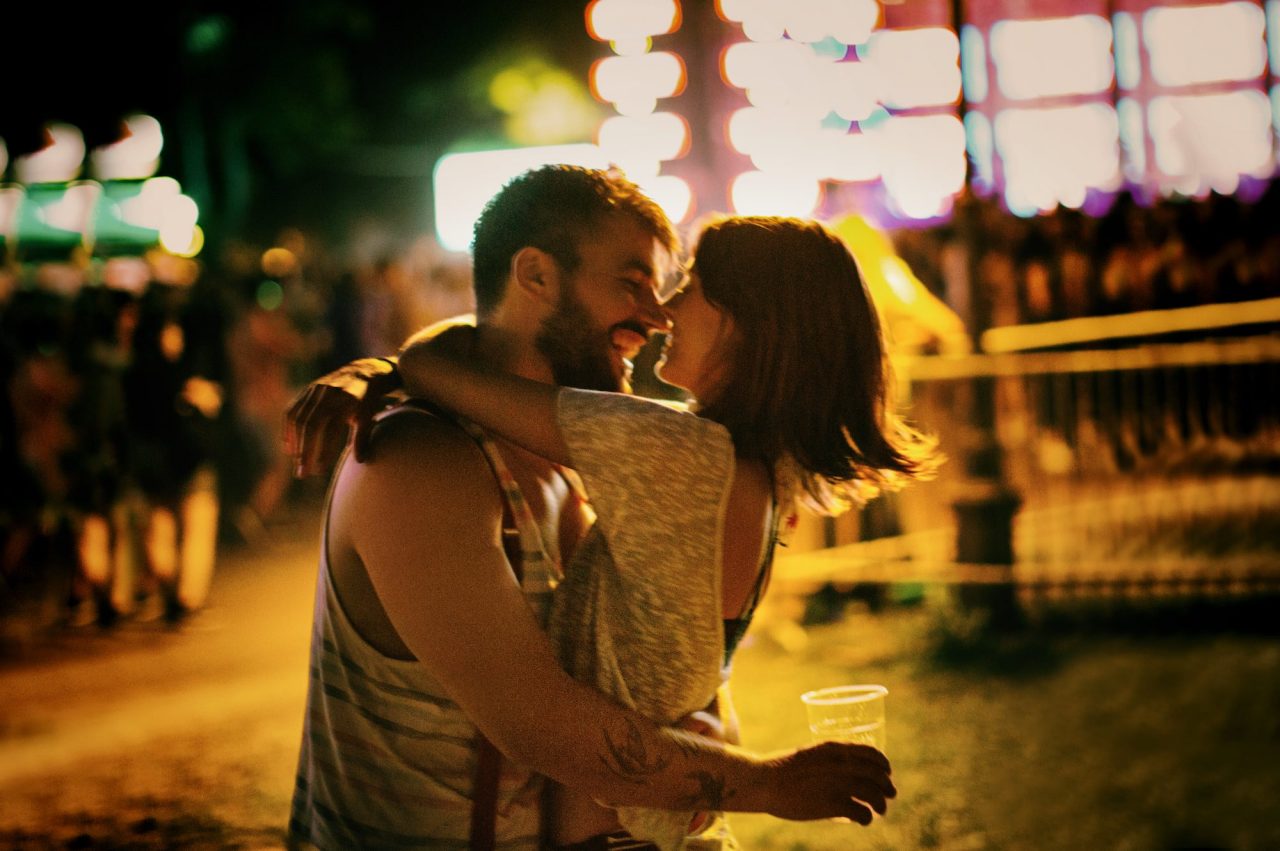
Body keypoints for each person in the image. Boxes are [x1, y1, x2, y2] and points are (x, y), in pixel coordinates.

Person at [284, 166, 896, 850]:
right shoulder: (419, 463)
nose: (658, 314)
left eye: (676, 289)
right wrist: (761, 780)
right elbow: (538, 721)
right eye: (634, 284)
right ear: (537, 276)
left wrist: (397, 361)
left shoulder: (623, 456)